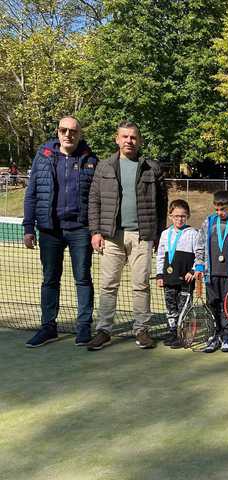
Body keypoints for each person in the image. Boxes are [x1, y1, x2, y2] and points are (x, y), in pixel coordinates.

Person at [86, 120, 168, 351]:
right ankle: (104, 330)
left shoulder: (152, 168)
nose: (129, 141)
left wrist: (158, 234)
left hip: (142, 236)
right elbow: (94, 201)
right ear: (117, 139)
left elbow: (162, 204)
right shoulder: (104, 167)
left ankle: (141, 330)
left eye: (133, 137)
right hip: (111, 236)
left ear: (139, 140)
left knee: (141, 285)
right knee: (108, 285)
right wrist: (95, 232)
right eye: (124, 137)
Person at [23, 116, 98, 347]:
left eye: (73, 131)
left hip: (80, 230)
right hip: (49, 230)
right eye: (64, 130)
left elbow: (97, 199)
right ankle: (48, 327)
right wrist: (28, 227)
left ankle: (84, 327)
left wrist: (96, 230)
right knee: (49, 280)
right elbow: (32, 192)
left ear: (79, 134)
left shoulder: (92, 160)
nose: (68, 134)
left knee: (83, 279)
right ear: (57, 132)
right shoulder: (43, 156)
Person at [194, 190, 228, 353]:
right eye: (217, 209)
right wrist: (199, 265)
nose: (220, 213)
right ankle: (214, 335)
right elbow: (200, 245)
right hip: (210, 274)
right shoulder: (208, 222)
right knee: (212, 305)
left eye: (224, 209)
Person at [156, 199, 199, 348]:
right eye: (176, 216)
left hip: (186, 281)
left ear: (187, 216)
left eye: (183, 216)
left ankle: (183, 336)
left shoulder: (193, 233)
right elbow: (160, 255)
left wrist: (193, 270)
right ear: (170, 216)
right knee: (171, 309)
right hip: (169, 279)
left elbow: (199, 255)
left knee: (184, 309)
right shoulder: (165, 234)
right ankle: (173, 332)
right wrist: (160, 275)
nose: (179, 219)